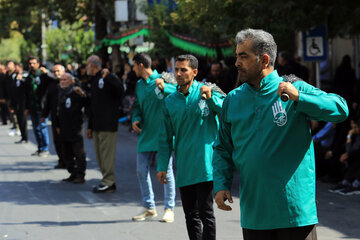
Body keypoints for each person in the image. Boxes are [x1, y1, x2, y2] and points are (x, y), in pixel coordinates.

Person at [212, 29, 349, 240]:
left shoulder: (294, 88)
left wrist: (300, 98)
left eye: (243, 56)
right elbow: (222, 146)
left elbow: (340, 109)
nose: (237, 63)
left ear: (264, 59)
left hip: (294, 214)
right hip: (254, 216)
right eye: (236, 56)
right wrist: (221, 184)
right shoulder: (232, 99)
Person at [157, 54, 225, 239]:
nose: (178, 74)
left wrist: (211, 99)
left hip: (205, 164)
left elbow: (226, 109)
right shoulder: (169, 101)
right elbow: (165, 137)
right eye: (176, 70)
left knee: (206, 213)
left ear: (194, 72)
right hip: (185, 165)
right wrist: (162, 165)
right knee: (190, 215)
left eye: (183, 70)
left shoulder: (207, 91)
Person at [130, 53, 176, 223]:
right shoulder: (139, 85)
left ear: (140, 65)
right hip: (146, 135)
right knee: (141, 170)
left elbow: (180, 92)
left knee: (167, 172)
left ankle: (169, 208)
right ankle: (149, 207)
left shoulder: (163, 78)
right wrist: (135, 118)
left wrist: (166, 87)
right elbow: (137, 106)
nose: (132, 69)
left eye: (133, 65)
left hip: (164, 134)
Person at [86, 55, 124, 193]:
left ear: (93, 65)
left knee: (107, 155)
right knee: (100, 155)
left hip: (108, 124)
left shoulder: (108, 76)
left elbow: (120, 90)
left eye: (87, 65)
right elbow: (93, 105)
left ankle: (109, 181)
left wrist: (109, 77)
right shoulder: (94, 80)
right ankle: (106, 180)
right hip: (96, 124)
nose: (86, 68)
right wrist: (90, 126)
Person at [54, 73, 88, 183]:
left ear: (71, 81)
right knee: (66, 153)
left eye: (65, 79)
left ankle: (80, 174)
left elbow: (87, 104)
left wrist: (83, 95)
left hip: (75, 128)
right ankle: (72, 172)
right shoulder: (60, 93)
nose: (63, 82)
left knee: (78, 153)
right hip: (64, 127)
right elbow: (58, 111)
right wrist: (58, 125)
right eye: (61, 80)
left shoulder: (76, 92)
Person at [25, 57, 51, 157]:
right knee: (36, 128)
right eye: (30, 63)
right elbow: (26, 93)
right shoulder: (28, 77)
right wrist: (26, 108)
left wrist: (47, 72)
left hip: (42, 107)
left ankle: (45, 149)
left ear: (38, 64)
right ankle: (40, 148)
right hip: (32, 107)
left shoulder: (43, 75)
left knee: (42, 127)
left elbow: (53, 79)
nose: (31, 65)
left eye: (33, 63)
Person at [42, 65, 66, 168]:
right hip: (55, 117)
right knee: (57, 140)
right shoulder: (52, 85)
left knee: (67, 141)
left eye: (58, 71)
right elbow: (48, 101)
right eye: (54, 71)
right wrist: (44, 114)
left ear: (63, 71)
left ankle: (70, 161)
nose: (56, 73)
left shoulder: (70, 82)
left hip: (68, 118)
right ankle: (62, 160)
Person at [328, 119, 360, 195]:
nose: (353, 129)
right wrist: (349, 137)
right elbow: (349, 149)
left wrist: (347, 154)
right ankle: (347, 181)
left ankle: (356, 184)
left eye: (356, 127)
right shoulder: (356, 136)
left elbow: (351, 151)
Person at [11, 63, 28, 144]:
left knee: (23, 121)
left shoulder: (25, 75)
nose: (15, 68)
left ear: (20, 67)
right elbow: (13, 91)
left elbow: (28, 87)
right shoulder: (15, 76)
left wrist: (22, 79)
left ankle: (25, 137)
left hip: (23, 103)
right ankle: (22, 137)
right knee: (19, 120)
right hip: (16, 103)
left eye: (16, 66)